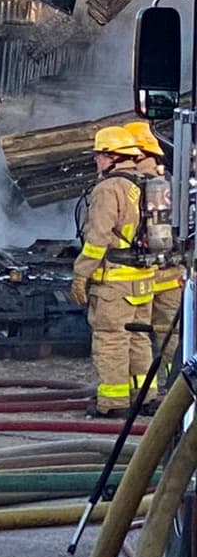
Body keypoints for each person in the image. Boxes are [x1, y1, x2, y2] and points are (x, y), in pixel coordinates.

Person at [71, 126, 157, 418]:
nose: (96, 161)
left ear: (111, 157)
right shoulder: (147, 183)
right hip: (144, 278)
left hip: (115, 281)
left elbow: (97, 239)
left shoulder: (108, 188)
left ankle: (113, 403)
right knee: (138, 337)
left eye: (98, 155)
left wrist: (81, 273)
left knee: (111, 338)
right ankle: (145, 398)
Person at [124, 120, 181, 398]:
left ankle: (146, 392)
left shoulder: (131, 186)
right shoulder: (171, 181)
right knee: (172, 335)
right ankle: (176, 391)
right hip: (172, 271)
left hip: (142, 274)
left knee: (137, 335)